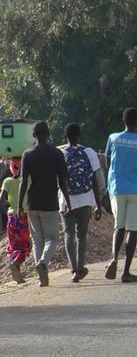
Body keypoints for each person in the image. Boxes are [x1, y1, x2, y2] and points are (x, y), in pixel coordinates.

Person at [19, 121, 72, 287]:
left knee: (37, 240)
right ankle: (43, 263)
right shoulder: (57, 154)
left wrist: (20, 204)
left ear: (34, 136)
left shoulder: (27, 154)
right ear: (48, 134)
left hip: (33, 203)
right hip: (50, 203)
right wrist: (68, 201)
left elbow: (23, 181)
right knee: (53, 238)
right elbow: (63, 182)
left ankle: (42, 278)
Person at [104, 108, 137, 283]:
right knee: (132, 229)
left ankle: (114, 258)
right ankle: (126, 272)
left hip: (117, 188)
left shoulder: (113, 138)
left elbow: (108, 163)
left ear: (123, 120)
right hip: (136, 189)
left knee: (119, 227)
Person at [60, 123, 103, 283]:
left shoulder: (61, 153)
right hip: (85, 199)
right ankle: (80, 267)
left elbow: (59, 181)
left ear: (65, 137)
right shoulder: (89, 152)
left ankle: (74, 270)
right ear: (79, 136)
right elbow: (94, 180)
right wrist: (98, 205)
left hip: (66, 200)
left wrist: (64, 201)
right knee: (81, 235)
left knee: (68, 234)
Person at [1, 158, 31, 284]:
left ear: (11, 167)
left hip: (11, 218)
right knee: (26, 246)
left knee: (14, 246)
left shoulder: (7, 181)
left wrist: (10, 204)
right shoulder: (27, 180)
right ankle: (16, 263)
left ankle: (18, 275)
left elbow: (1, 199)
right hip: (23, 216)